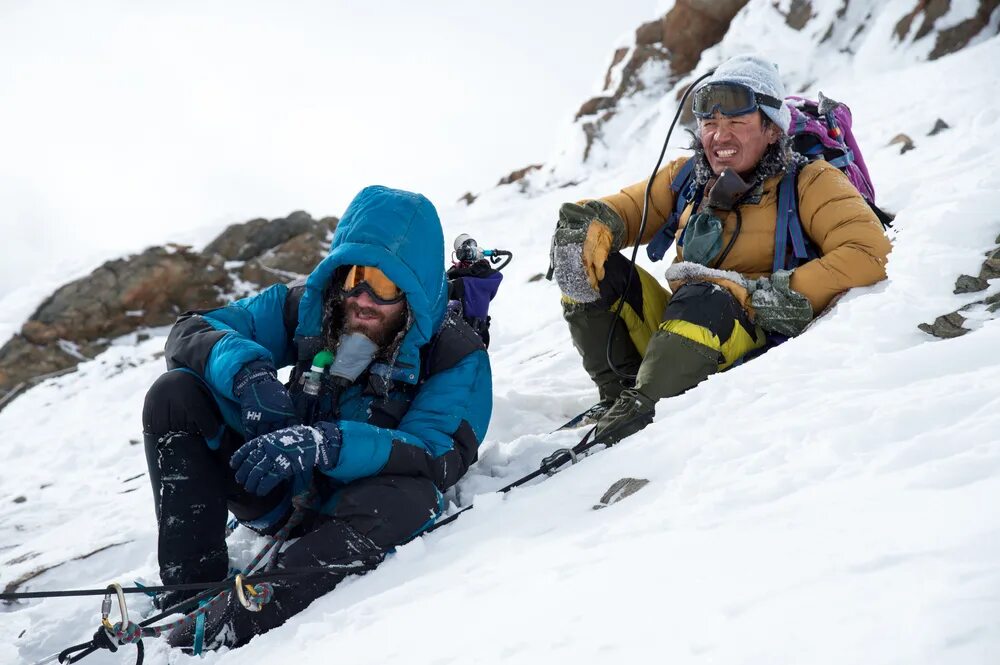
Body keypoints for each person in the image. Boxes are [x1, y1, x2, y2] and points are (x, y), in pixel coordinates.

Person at [142, 185, 493, 649]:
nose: (364, 297)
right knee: (175, 394)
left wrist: (328, 443)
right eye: (355, 276)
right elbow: (192, 331)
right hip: (275, 482)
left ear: (415, 290)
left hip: (356, 513)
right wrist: (248, 375)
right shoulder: (310, 305)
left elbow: (437, 455)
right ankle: (190, 588)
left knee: (414, 497)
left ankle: (246, 611)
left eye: (385, 285)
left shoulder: (456, 353)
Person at [549, 54, 891, 444]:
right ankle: (621, 396)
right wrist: (588, 225)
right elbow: (625, 210)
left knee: (704, 297)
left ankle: (642, 412)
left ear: (772, 130)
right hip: (680, 337)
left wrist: (766, 297)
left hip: (751, 338)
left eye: (737, 122)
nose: (719, 135)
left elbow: (869, 252)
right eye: (710, 123)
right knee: (588, 261)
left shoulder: (810, 180)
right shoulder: (686, 177)